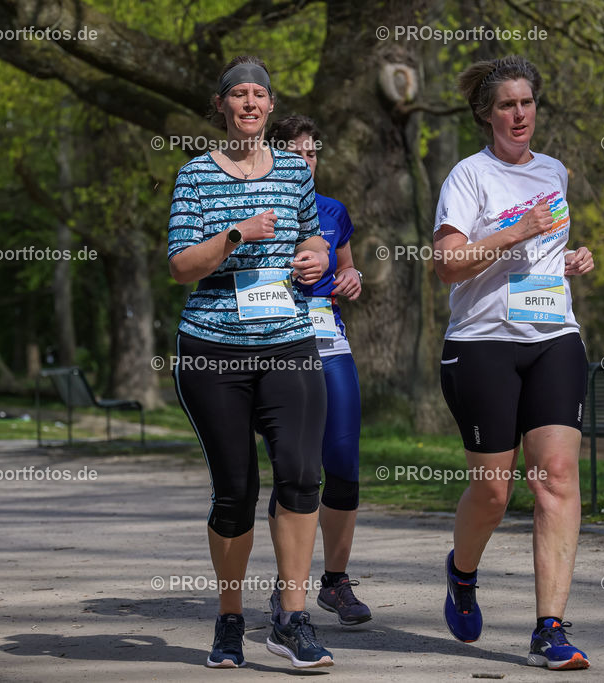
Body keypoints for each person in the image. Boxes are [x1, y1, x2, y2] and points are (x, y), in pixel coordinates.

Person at [168, 55, 334, 669]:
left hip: (288, 341)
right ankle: (229, 618)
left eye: (258, 94)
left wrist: (316, 257)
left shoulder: (294, 169)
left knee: (299, 473)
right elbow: (181, 267)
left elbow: (313, 233)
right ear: (221, 106)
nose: (249, 103)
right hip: (214, 350)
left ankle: (293, 617)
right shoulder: (194, 176)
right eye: (237, 94)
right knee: (236, 490)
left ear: (269, 106)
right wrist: (236, 234)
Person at [433, 55, 595, 670]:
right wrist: (516, 231)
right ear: (487, 112)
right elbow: (447, 263)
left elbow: (545, 254)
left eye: (527, 103)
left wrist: (573, 257)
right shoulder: (468, 177)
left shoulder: (554, 171)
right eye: (507, 104)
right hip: (482, 343)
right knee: (494, 493)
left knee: (555, 479)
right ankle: (463, 571)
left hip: (554, 334)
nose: (519, 114)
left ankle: (549, 627)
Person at [265, 115, 371, 626]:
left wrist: (350, 278)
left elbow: (348, 266)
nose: (307, 163)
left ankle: (335, 582)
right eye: (296, 154)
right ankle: (288, 591)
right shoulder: (257, 208)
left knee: (344, 462)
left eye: (313, 154)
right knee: (295, 467)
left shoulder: (333, 211)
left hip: (330, 343)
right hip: (278, 347)